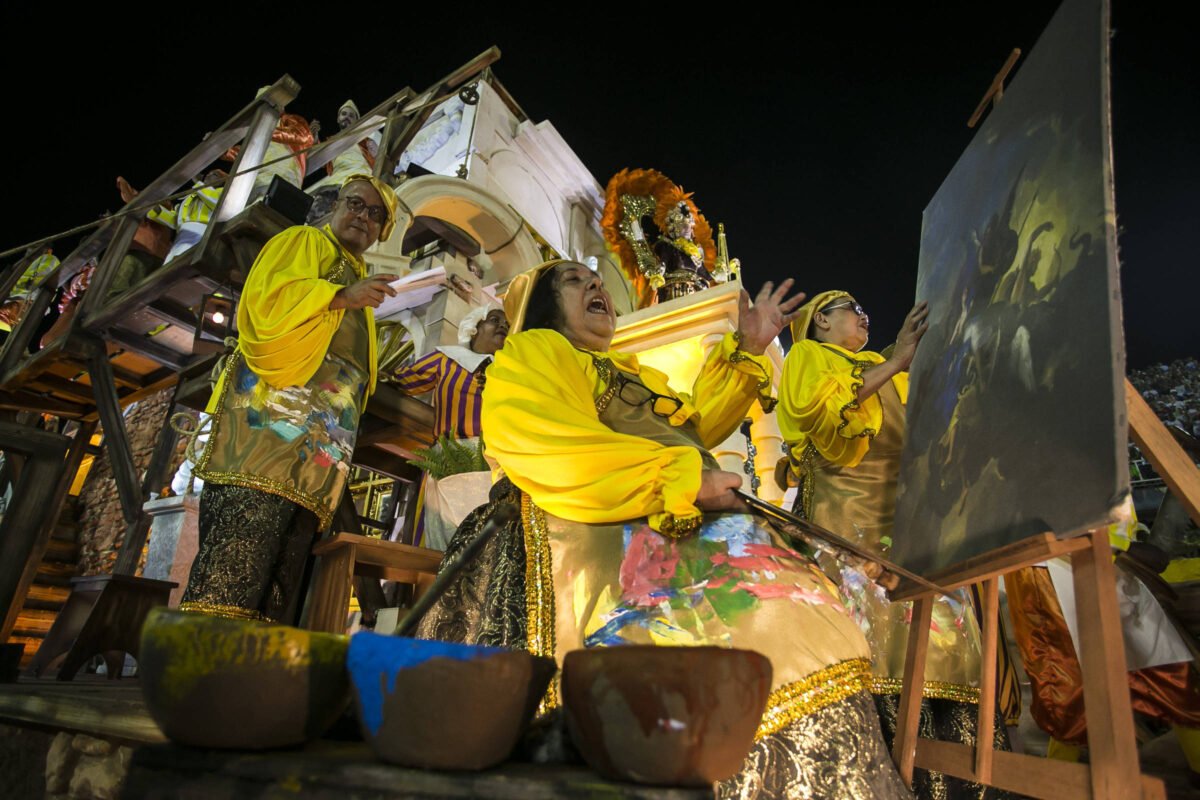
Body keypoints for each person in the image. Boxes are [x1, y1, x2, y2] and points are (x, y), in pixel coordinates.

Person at [419, 262, 912, 799]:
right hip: (604, 516)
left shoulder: (627, 371)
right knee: (770, 609)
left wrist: (745, 350)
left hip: (673, 511)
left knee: (816, 600)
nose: (595, 286)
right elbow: (542, 439)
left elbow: (694, 430)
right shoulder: (537, 350)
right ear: (539, 304)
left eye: (598, 281)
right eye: (573, 280)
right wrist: (677, 479)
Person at [777, 290, 1013, 799]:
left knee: (952, 653)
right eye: (851, 308)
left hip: (911, 535)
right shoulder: (807, 356)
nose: (864, 315)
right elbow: (816, 411)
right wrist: (895, 359)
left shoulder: (883, 367)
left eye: (865, 309)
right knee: (876, 653)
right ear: (820, 319)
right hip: (848, 535)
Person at [179, 174, 399, 623]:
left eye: (375, 214)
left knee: (285, 569)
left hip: (312, 454)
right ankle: (196, 673)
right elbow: (266, 299)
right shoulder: (307, 242)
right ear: (336, 207)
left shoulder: (355, 275)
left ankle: (253, 680)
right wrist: (338, 296)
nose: (363, 217)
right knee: (240, 551)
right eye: (355, 204)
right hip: (265, 439)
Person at [389, 304, 508, 549]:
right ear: (474, 329)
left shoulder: (510, 373)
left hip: (500, 460)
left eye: (506, 324)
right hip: (450, 457)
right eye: (494, 320)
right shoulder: (446, 360)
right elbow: (401, 381)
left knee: (494, 542)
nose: (503, 326)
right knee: (446, 539)